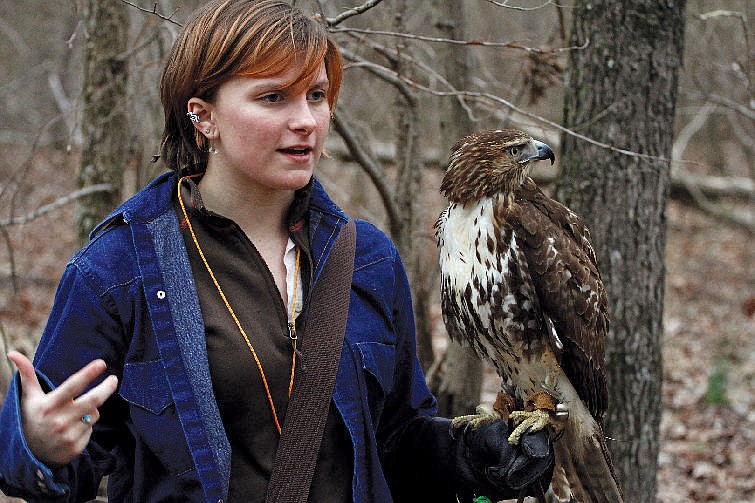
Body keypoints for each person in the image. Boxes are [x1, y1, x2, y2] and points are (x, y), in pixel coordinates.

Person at [0, 1, 553, 502]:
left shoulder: (369, 259)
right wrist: (40, 445)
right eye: (273, 97)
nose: (306, 121)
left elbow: (397, 441)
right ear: (204, 116)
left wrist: (474, 457)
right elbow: (53, 465)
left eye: (315, 95)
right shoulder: (118, 268)